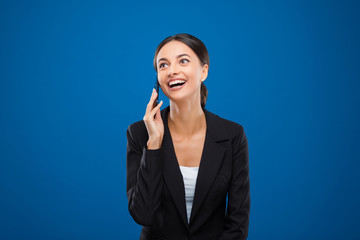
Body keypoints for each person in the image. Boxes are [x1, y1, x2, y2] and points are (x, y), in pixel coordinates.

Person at [126, 33, 250, 240]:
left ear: (204, 71)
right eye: (163, 65)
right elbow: (143, 215)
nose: (172, 71)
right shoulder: (139, 133)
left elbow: (238, 223)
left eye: (183, 61)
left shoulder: (233, 135)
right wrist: (154, 144)